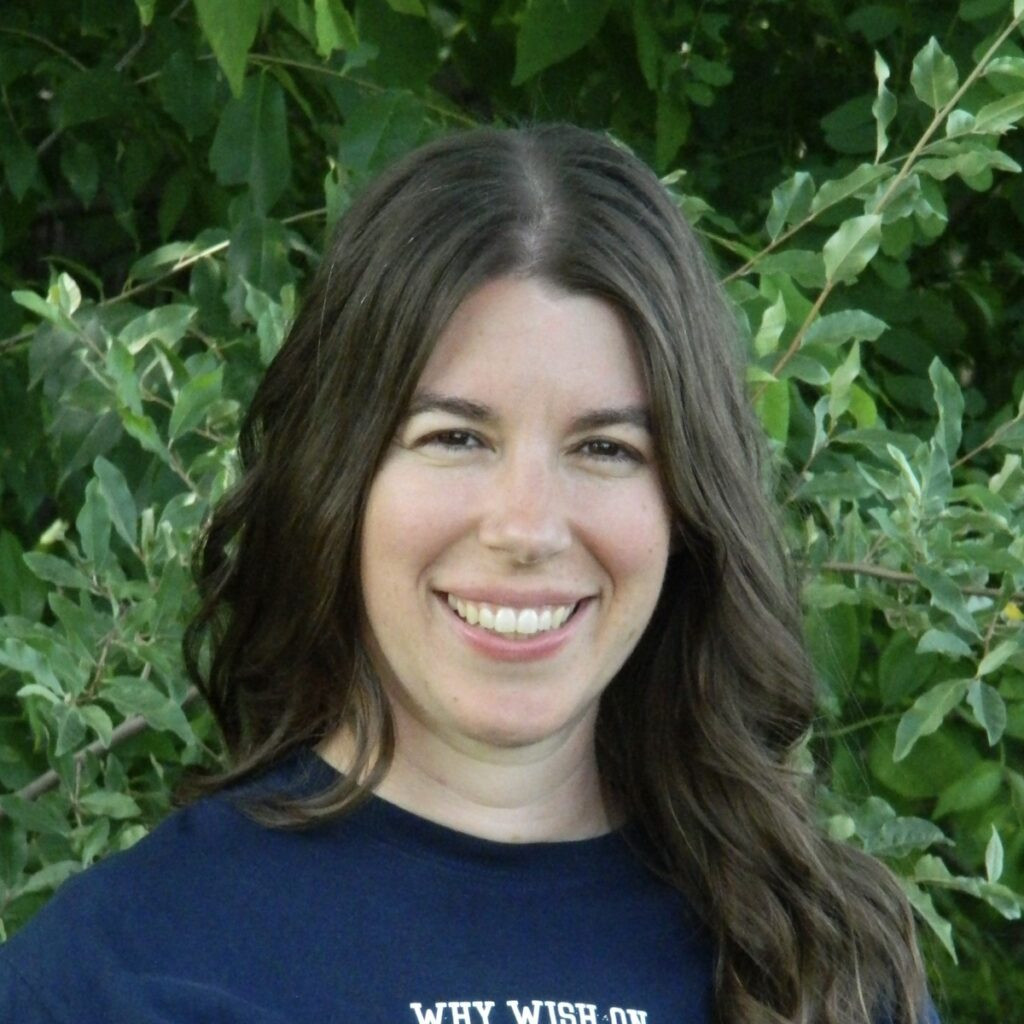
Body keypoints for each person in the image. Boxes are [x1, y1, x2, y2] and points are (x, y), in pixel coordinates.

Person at [0, 124, 938, 1024]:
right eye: (454, 437)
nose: (526, 527)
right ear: (337, 478)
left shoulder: (820, 967)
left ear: (688, 510)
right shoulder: (112, 975)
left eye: (607, 448)